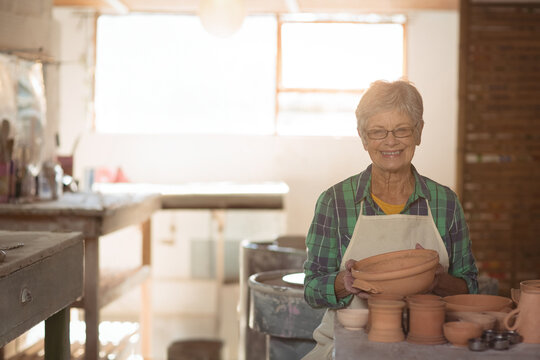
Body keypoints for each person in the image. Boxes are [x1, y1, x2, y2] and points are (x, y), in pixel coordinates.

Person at [302, 79, 478, 359]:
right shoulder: (335, 202)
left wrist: (437, 281)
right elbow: (311, 289)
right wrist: (344, 282)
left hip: (427, 346)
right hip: (348, 348)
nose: (390, 141)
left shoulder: (444, 202)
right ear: (363, 137)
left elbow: (469, 287)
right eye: (378, 132)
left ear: (419, 132)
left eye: (402, 130)